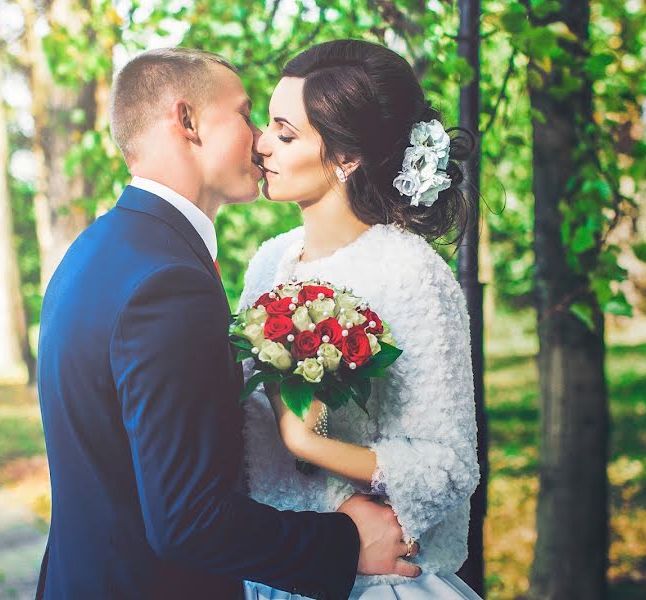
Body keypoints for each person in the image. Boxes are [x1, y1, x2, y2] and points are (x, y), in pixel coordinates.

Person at [36, 46, 417, 600]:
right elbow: (187, 521)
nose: (260, 137)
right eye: (243, 114)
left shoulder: (98, 250)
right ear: (187, 121)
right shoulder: (167, 282)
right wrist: (345, 542)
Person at [240, 40, 483, 599]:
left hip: (371, 581)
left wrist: (308, 443)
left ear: (346, 158)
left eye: (285, 132)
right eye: (266, 125)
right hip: (275, 571)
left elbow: (447, 467)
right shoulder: (268, 262)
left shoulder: (410, 272)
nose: (260, 145)